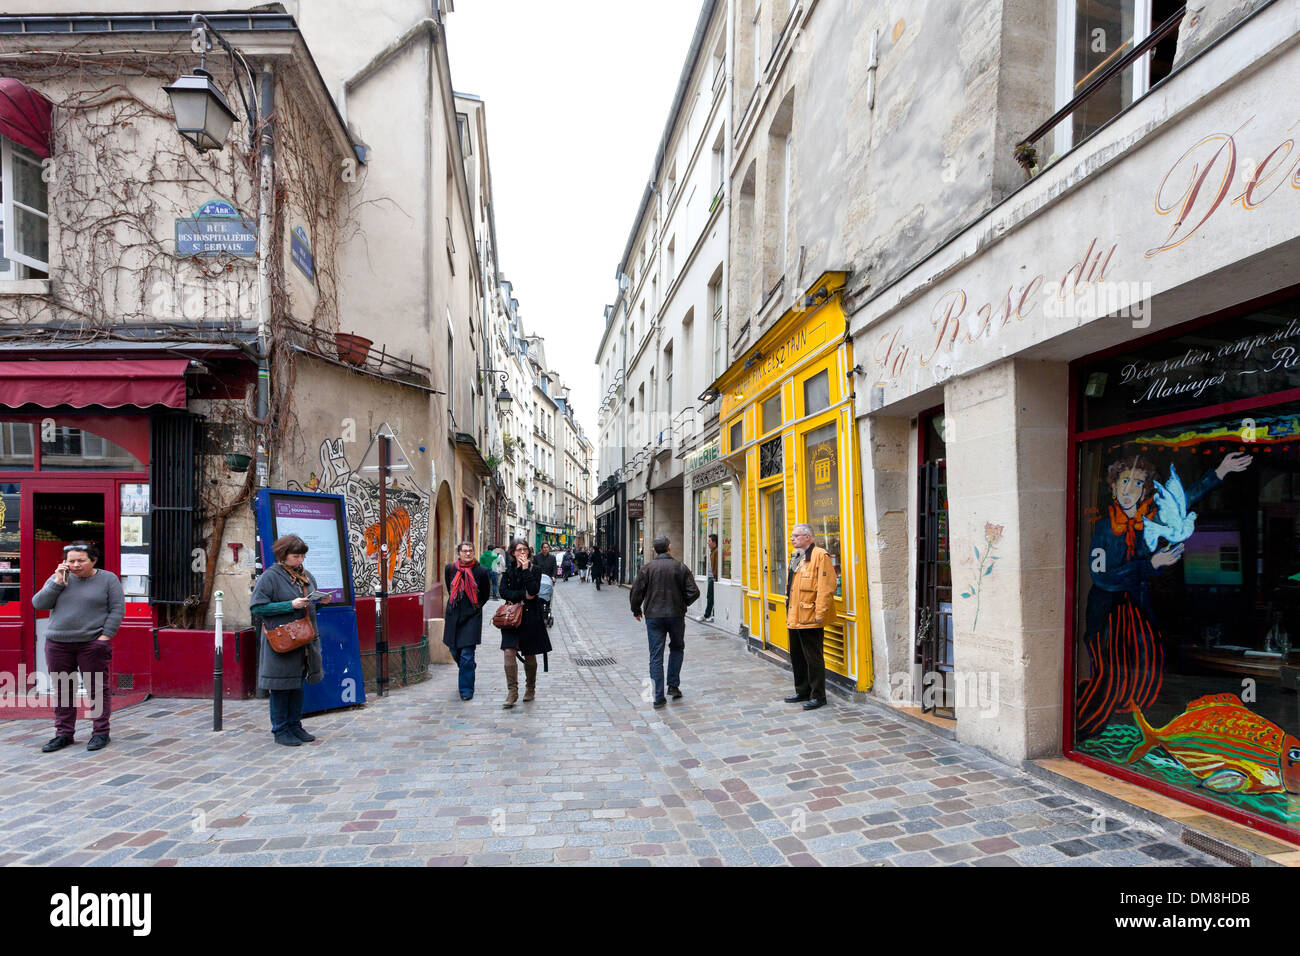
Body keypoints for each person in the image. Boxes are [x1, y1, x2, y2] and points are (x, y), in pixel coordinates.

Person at [1076, 450, 1251, 738]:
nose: (1129, 489)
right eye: (1124, 481)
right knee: (1108, 674)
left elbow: (1182, 501)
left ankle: (1134, 726)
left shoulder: (1151, 518)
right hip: (1108, 613)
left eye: (1137, 483)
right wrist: (1151, 564)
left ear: (1146, 489)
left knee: (1143, 667)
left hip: (1137, 609)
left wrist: (1219, 472)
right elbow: (1102, 577)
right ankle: (1084, 727)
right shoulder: (1106, 527)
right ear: (1112, 486)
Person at [32, 541, 124, 753]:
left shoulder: (108, 579)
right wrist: (57, 582)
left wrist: (104, 637)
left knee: (96, 689)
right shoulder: (59, 579)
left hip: (91, 643)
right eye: (70, 560)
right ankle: (63, 734)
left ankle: (100, 732)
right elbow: (38, 604)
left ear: (93, 560)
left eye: (81, 560)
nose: (75, 564)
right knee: (64, 689)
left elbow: (117, 609)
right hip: (58, 643)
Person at [250, 534, 326, 746]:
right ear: (283, 555)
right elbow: (257, 607)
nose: (300, 560)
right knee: (281, 687)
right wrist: (289, 605)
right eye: (296, 556)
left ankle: (295, 724)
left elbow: (310, 603)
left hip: (304, 640)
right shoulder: (270, 577)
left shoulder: (306, 576)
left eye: (302, 556)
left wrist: (319, 601)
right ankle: (280, 729)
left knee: (297, 684)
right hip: (282, 640)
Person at [630, 535, 700, 709]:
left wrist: (636, 610)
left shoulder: (647, 568)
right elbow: (694, 592)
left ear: (654, 549)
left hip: (654, 616)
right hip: (676, 615)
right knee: (677, 648)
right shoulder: (680, 567)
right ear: (669, 547)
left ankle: (659, 697)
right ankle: (673, 686)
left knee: (656, 655)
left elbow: (636, 591)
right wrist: (682, 604)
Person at [784, 523, 837, 711]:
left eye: (796, 535)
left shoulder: (820, 555)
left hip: (811, 616)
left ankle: (818, 695)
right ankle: (802, 691)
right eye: (792, 536)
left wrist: (820, 613)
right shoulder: (796, 556)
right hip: (794, 615)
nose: (793, 539)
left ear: (809, 537)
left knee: (813, 657)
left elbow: (826, 586)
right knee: (797, 656)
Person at [497, 541, 553, 707]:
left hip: (529, 617)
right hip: (511, 617)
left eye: (525, 550)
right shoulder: (508, 571)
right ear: (513, 553)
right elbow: (503, 592)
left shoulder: (535, 570)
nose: (522, 552)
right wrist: (522, 595)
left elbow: (534, 591)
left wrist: (525, 570)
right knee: (508, 651)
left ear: (529, 552)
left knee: (529, 654)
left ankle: (530, 687)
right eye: (518, 550)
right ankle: (512, 691)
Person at [445, 541, 490, 701]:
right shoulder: (450, 569)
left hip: (471, 617)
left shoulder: (481, 572)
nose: (468, 553)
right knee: (454, 651)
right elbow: (448, 588)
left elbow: (485, 594)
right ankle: (468, 668)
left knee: (466, 655)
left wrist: (475, 608)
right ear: (459, 553)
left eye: (471, 550)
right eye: (464, 551)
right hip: (453, 616)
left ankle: (466, 690)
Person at [702, 533, 718, 622]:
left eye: (709, 541)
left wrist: (715, 576)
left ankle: (708, 615)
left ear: (714, 542)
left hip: (713, 578)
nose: (708, 543)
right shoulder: (713, 552)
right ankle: (709, 614)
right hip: (711, 577)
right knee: (710, 597)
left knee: (711, 597)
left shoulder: (716, 552)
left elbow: (716, 566)